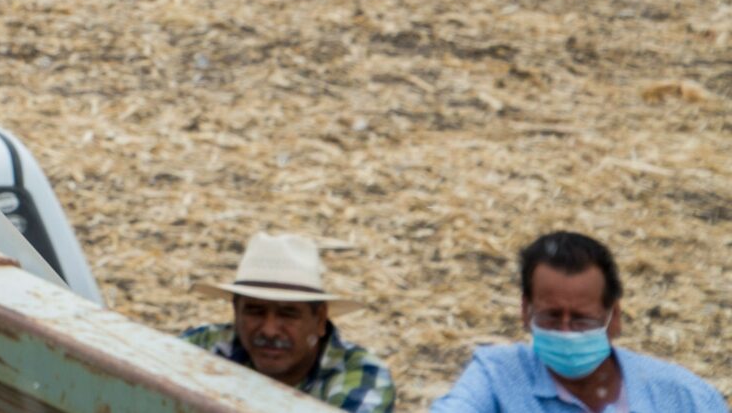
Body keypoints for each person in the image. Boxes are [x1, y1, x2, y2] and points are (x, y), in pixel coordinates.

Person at [432, 232, 726, 413]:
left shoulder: (682, 398)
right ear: (526, 311)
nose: (565, 331)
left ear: (614, 318)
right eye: (550, 317)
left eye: (582, 320)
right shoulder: (497, 377)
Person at [181, 232, 395, 413]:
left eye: (288, 314)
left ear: (320, 319)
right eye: (255, 311)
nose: (270, 330)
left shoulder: (362, 376)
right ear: (235, 314)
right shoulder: (202, 346)